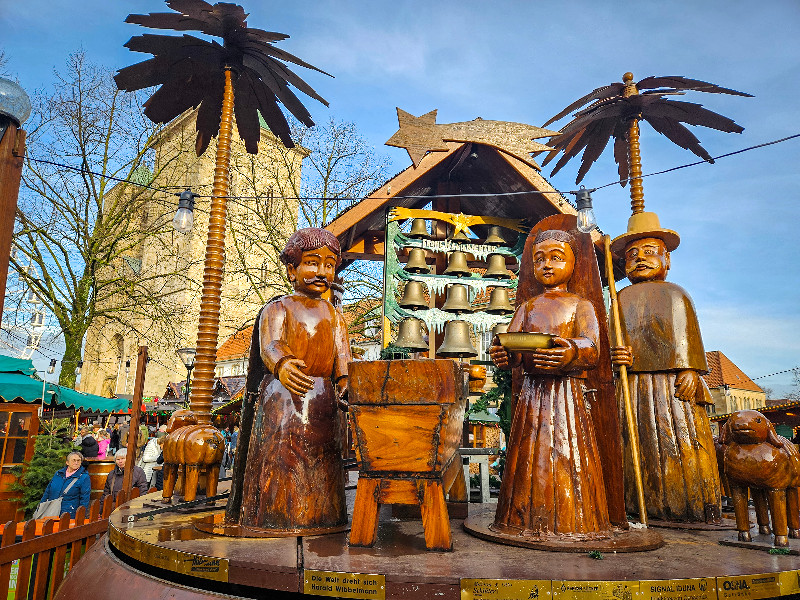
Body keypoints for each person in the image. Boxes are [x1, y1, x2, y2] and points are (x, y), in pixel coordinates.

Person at [488, 229, 611, 540]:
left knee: (567, 457)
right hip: (531, 396)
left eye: (557, 258)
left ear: (573, 263)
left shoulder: (581, 305)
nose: (546, 265)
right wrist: (505, 354)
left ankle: (573, 521)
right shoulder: (527, 308)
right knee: (527, 458)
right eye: (539, 259)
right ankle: (521, 519)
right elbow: (513, 345)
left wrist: (570, 352)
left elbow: (593, 348)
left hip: (567, 396)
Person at [235, 227, 351, 532]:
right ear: (291, 269)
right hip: (285, 397)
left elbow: (342, 356)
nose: (322, 272)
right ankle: (276, 516)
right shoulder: (278, 307)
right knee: (282, 460)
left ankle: (325, 517)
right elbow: (270, 345)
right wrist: (283, 364)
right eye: (313, 262)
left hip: (324, 399)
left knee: (325, 462)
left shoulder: (334, 315)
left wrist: (345, 383)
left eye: (329, 265)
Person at [610, 211, 720, 523]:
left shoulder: (675, 294)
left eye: (648, 252)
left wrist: (689, 369)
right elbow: (612, 339)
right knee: (633, 446)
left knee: (678, 440)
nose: (639, 259)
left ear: (667, 259)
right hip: (630, 386)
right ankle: (635, 503)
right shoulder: (620, 299)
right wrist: (615, 356)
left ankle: (689, 505)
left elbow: (686, 338)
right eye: (632, 255)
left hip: (670, 386)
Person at [39, 451, 91, 518]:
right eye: (74, 460)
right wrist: (41, 506)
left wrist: (80, 516)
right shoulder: (58, 474)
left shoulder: (84, 477)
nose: (76, 463)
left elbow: (85, 499)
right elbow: (48, 491)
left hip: (69, 514)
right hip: (52, 511)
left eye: (78, 460)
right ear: (67, 462)